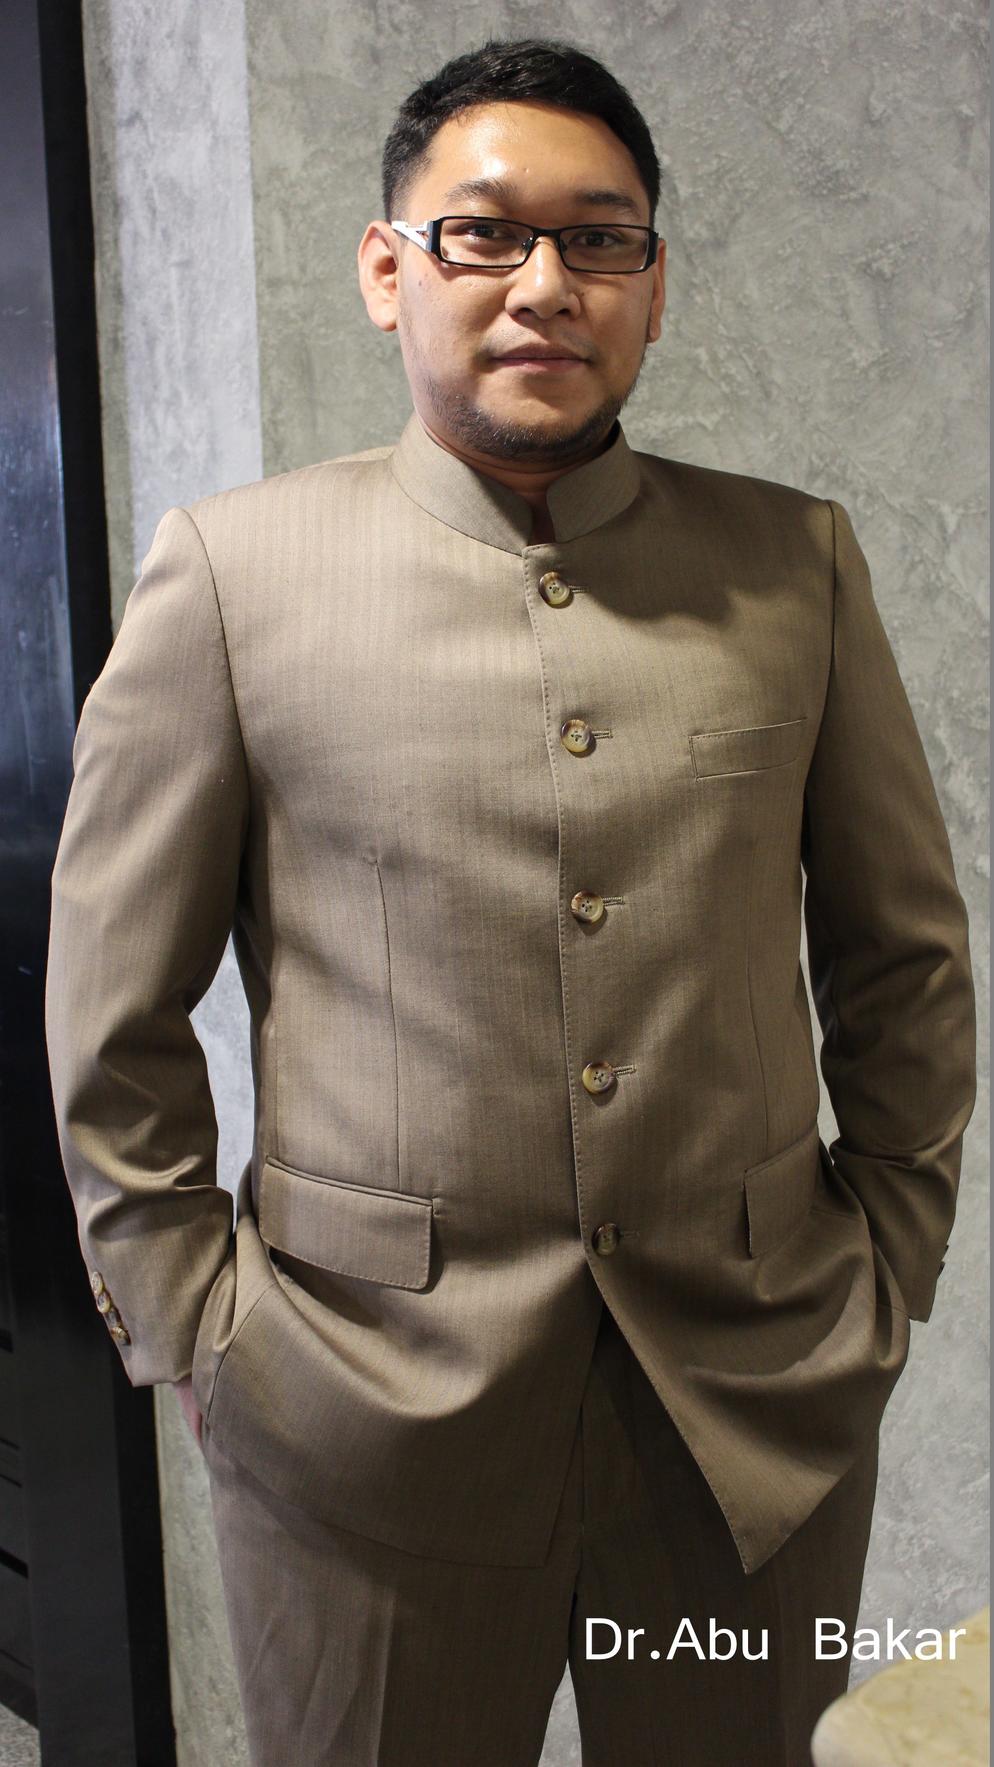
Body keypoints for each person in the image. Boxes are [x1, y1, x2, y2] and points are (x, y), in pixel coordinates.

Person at [44, 35, 977, 1767]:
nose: (544, 283)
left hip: (750, 1406)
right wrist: (195, 1325)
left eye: (598, 238)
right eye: (482, 233)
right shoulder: (232, 577)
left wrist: (889, 1262)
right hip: (356, 1412)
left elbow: (902, 960)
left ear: (652, 286)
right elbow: (112, 1008)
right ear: (387, 269)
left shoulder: (794, 566)